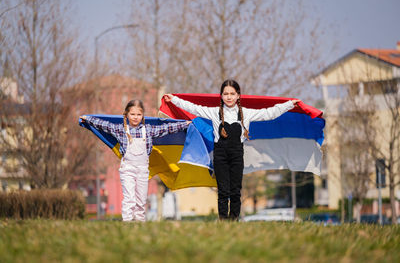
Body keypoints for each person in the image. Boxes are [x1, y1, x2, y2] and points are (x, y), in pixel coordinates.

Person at [164, 79, 300, 221]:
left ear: (238, 95)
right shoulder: (214, 112)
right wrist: (174, 99)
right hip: (220, 155)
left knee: (235, 191)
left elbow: (268, 113)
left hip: (237, 154)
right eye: (226, 94)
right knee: (223, 191)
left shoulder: (246, 114)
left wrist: (289, 105)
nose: (229, 97)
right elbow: (193, 108)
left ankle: (234, 220)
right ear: (221, 96)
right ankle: (223, 221)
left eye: (232, 94)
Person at [80, 100, 190, 222]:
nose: (135, 117)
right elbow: (103, 124)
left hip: (143, 170)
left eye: (138, 114)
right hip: (127, 169)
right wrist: (88, 119)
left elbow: (167, 128)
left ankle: (139, 223)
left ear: (143, 116)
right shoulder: (120, 129)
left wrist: (185, 124)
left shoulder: (148, 130)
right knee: (129, 198)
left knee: (141, 200)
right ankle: (127, 222)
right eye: (132, 114)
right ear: (126, 115)